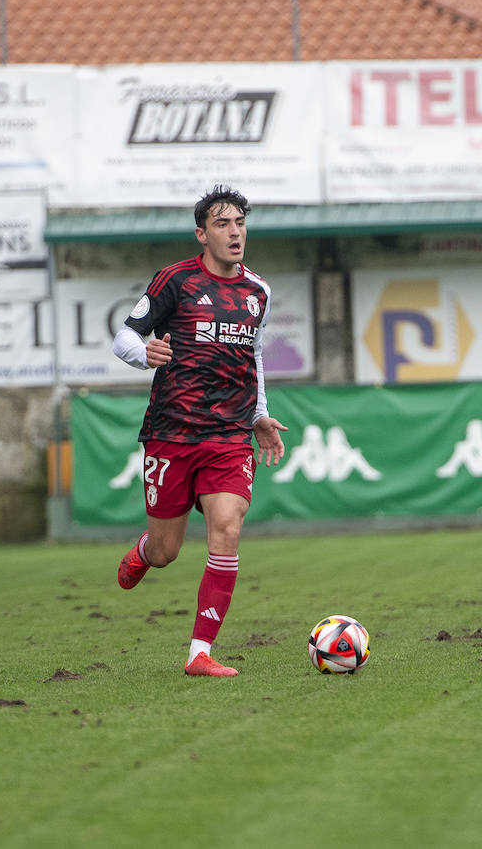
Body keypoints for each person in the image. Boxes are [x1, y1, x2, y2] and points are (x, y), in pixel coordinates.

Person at [110, 185, 288, 678]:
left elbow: (252, 357)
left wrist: (258, 416)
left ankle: (199, 653)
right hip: (172, 431)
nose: (235, 233)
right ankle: (146, 551)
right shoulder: (176, 281)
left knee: (227, 528)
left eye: (240, 223)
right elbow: (125, 334)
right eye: (223, 224)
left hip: (229, 435)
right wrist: (140, 353)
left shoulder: (258, 291)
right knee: (167, 550)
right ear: (202, 234)